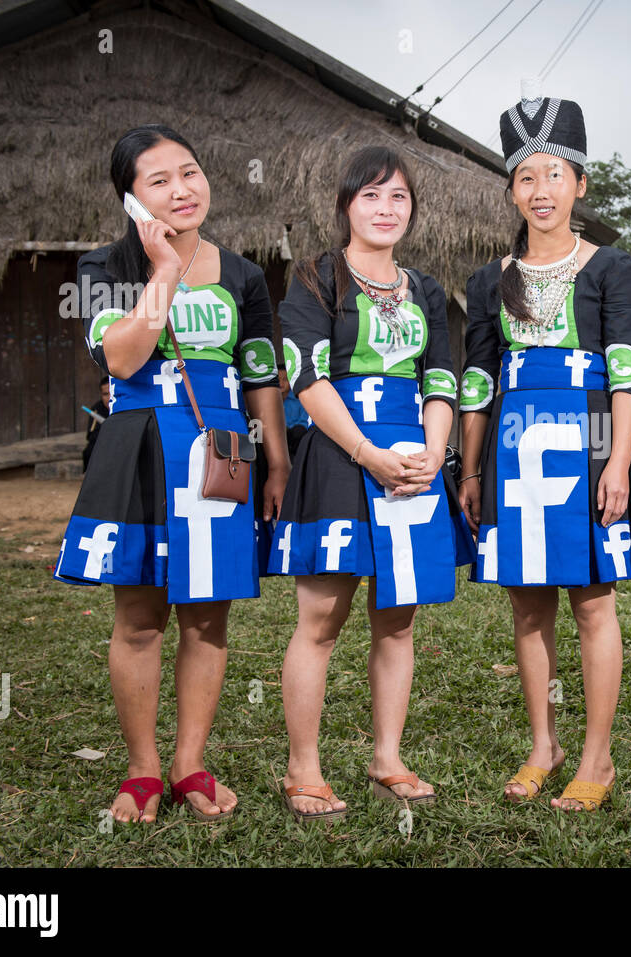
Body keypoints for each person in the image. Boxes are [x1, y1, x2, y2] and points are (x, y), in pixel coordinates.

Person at [55, 124, 289, 823]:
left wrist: (275, 461)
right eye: (159, 181)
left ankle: (189, 764)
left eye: (189, 171)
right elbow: (121, 360)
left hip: (218, 450)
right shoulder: (103, 266)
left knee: (208, 617)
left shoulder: (245, 276)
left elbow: (261, 381)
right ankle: (142, 769)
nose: (182, 190)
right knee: (138, 616)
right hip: (139, 445)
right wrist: (162, 271)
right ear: (130, 198)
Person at [458, 94, 631, 812]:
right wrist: (472, 468)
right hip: (516, 451)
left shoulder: (612, 267)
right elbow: (479, 381)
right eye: (526, 178)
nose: (540, 191)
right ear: (511, 190)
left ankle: (597, 757)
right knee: (527, 605)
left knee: (592, 601)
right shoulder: (490, 280)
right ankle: (542, 743)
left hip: (590, 440)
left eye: (554, 175)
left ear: (579, 183)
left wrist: (616, 462)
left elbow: (628, 367)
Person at [271, 146, 474, 820]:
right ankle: (303, 769)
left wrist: (433, 451)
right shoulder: (314, 277)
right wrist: (367, 452)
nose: (385, 210)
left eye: (398, 198)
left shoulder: (427, 287)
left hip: (412, 463)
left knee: (398, 618)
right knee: (321, 619)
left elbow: (441, 376)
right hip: (339, 455)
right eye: (371, 196)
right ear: (346, 204)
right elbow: (305, 374)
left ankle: (387, 756)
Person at [278, 365, 310, 460]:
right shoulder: (271, 400)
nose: (281, 383)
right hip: (277, 434)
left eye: (285, 380)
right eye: (278, 379)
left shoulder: (298, 399)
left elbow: (303, 422)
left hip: (294, 436)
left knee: (299, 431)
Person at [82, 376, 110, 469]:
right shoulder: (97, 409)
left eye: (111, 393)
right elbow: (91, 435)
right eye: (106, 394)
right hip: (104, 443)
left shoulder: (124, 407)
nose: (109, 397)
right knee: (89, 450)